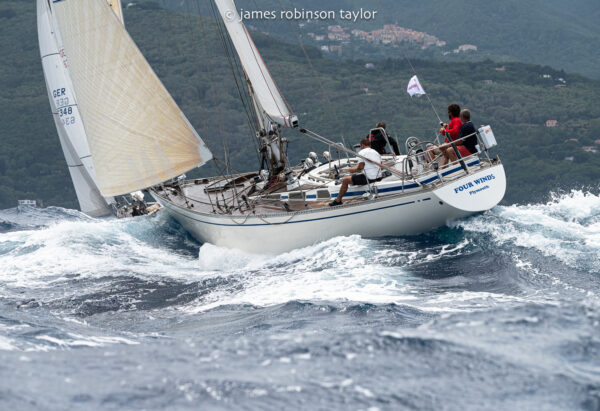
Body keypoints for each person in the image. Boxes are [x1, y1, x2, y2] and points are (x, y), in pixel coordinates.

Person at [329, 138, 382, 206]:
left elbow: (360, 168)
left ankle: (338, 200)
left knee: (345, 180)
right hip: (378, 177)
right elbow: (381, 164)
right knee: (356, 177)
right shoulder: (376, 152)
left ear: (362, 145)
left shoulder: (361, 153)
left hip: (369, 178)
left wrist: (352, 170)